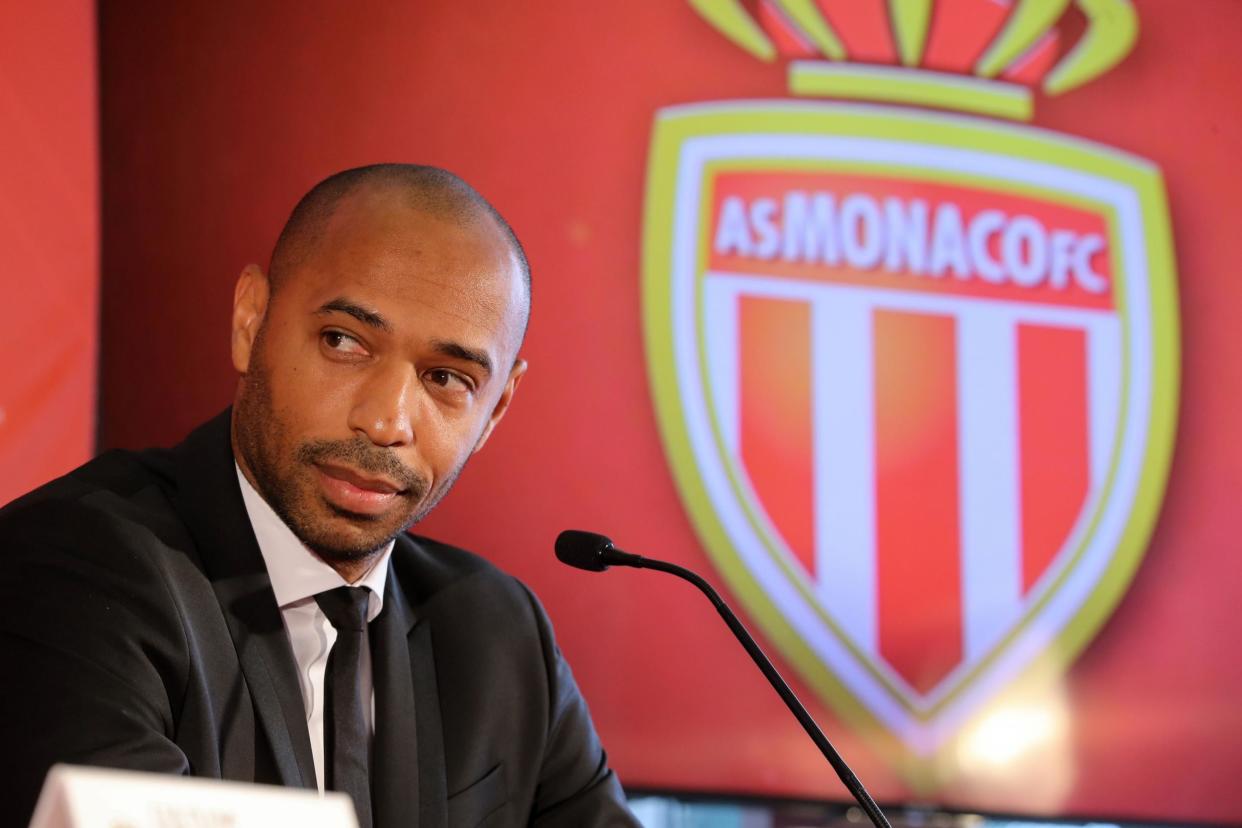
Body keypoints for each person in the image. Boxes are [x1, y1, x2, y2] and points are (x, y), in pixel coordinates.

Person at [0, 164, 639, 827]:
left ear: (496, 410)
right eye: (344, 342)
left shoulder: (496, 634)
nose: (388, 421)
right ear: (251, 320)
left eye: (446, 377)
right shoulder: (73, 569)